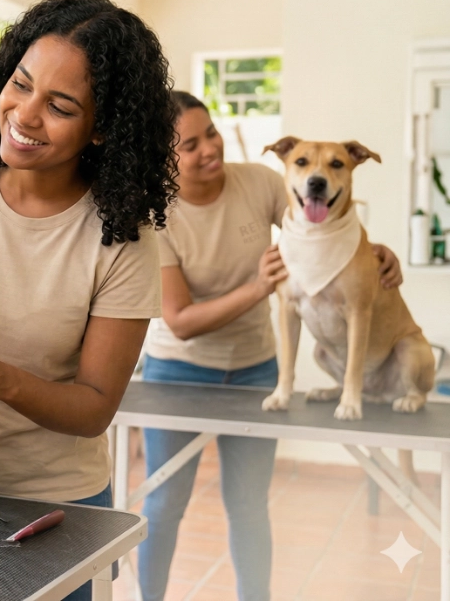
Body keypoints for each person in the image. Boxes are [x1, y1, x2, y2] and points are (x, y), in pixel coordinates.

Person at [0, 0, 176, 601]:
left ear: (102, 128)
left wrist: (4, 381)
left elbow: (95, 407)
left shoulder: (122, 238)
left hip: (57, 504)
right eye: (20, 84)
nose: (24, 114)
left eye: (60, 106)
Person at [136, 91, 403, 601]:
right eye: (190, 145)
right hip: (178, 371)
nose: (209, 149)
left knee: (248, 506)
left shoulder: (258, 181)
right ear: (162, 155)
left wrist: (376, 254)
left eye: (211, 133)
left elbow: (320, 232)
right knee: (164, 504)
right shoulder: (156, 215)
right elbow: (180, 320)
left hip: (256, 368)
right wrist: (258, 288)